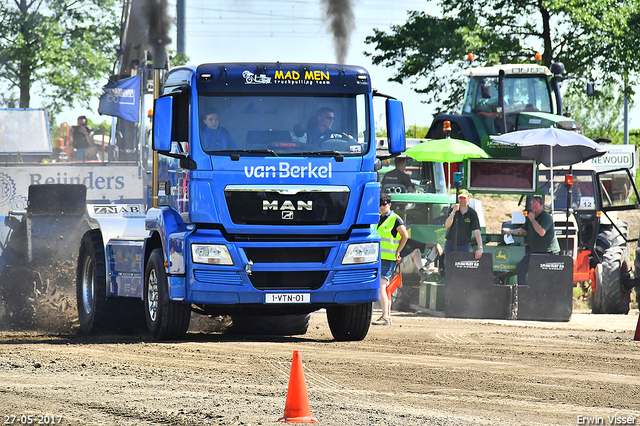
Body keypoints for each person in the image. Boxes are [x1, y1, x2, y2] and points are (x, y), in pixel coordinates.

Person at [505, 194, 560, 285]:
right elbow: (523, 230)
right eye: (532, 203)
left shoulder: (546, 217)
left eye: (536, 203)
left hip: (548, 252)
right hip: (536, 252)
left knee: (542, 275)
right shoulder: (530, 217)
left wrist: (533, 220)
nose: (534, 205)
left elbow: (541, 232)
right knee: (521, 267)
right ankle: (523, 292)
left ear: (542, 206)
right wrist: (511, 231)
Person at [373, 193, 408, 326]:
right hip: (378, 257)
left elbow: (405, 236)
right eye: (380, 204)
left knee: (382, 286)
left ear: (390, 205)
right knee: (384, 287)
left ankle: (385, 316)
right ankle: (386, 316)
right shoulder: (379, 218)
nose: (381, 207)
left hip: (388, 258)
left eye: (384, 204)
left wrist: (398, 251)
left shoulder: (395, 219)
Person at [444, 189, 483, 262]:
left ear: (468, 198)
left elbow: (477, 230)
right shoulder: (452, 209)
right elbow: (447, 225)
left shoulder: (472, 213)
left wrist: (480, 247)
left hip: (464, 245)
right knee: (449, 269)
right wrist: (453, 212)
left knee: (462, 268)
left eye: (464, 198)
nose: (462, 200)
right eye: (460, 198)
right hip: (451, 244)